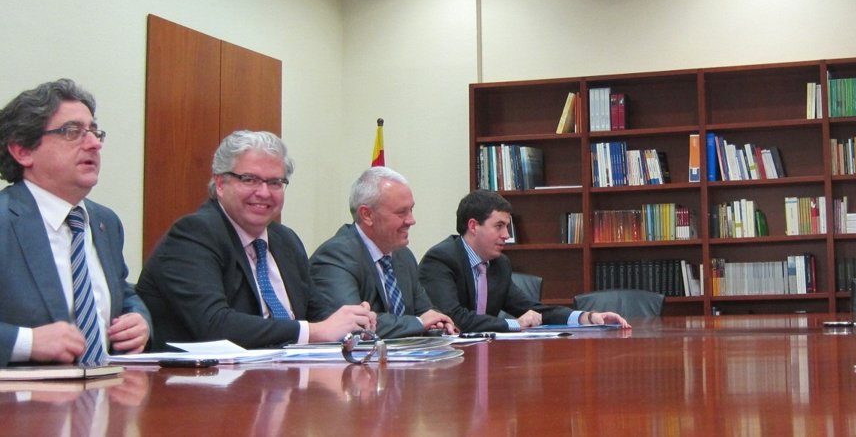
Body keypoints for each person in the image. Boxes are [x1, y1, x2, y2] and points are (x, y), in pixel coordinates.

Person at [137, 131, 375, 349]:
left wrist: (352, 323)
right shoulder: (194, 235)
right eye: (249, 179)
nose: (263, 192)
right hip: (202, 379)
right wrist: (312, 332)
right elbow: (214, 325)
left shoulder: (286, 240)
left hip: (285, 376)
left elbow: (318, 314)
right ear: (220, 184)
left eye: (275, 183)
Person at [0, 79, 150, 367]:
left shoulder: (105, 222)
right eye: (72, 132)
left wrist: (138, 320)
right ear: (23, 151)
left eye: (94, 131)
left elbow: (121, 292)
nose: (94, 144)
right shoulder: (5, 221)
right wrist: (26, 342)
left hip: (107, 388)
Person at [419, 189, 630, 332]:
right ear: (473, 226)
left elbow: (533, 309)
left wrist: (587, 317)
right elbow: (454, 317)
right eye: (499, 226)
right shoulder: (441, 259)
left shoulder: (499, 264)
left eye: (507, 227)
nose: (506, 235)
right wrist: (513, 324)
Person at [310, 167, 458, 338]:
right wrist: (419, 323)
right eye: (401, 212)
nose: (411, 220)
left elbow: (425, 312)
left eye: (411, 210)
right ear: (367, 215)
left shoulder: (403, 255)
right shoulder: (335, 256)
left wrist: (438, 323)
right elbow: (353, 326)